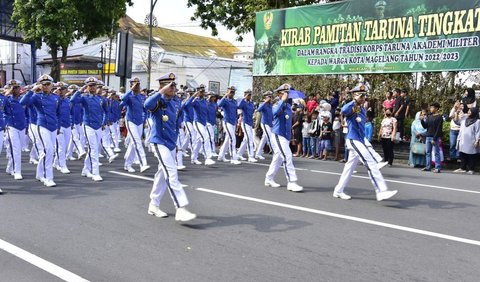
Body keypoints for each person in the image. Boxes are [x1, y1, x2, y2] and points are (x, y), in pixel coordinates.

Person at [145, 73, 197, 221]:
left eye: (174, 85)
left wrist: (176, 144)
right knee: (171, 173)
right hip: (159, 142)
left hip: (171, 143)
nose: (173, 88)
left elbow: (176, 121)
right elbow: (147, 105)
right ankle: (180, 207)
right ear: (162, 86)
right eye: (170, 85)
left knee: (162, 175)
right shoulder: (158, 101)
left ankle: (153, 205)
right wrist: (161, 92)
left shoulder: (175, 102)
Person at [333, 87, 398, 201]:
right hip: (353, 139)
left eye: (364, 95)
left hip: (360, 140)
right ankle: (381, 191)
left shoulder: (363, 110)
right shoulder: (352, 107)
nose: (363, 98)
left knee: (349, 168)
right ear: (354, 96)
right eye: (360, 95)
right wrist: (354, 101)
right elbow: (343, 110)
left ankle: (338, 190)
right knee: (371, 163)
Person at [20, 75, 59, 187]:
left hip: (53, 126)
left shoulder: (55, 97)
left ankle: (39, 173)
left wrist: (58, 126)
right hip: (42, 125)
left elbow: (58, 113)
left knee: (48, 151)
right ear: (39, 85)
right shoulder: (36, 96)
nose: (45, 86)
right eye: (43, 84)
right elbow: (23, 102)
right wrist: (32, 91)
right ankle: (48, 177)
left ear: (52, 85)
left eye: (48, 84)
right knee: (49, 150)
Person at [264, 84, 303, 192]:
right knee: (287, 156)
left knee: (278, 158)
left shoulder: (290, 106)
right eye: (286, 92)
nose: (288, 94)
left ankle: (269, 178)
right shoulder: (277, 104)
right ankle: (292, 182)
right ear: (280, 94)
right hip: (278, 135)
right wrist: (283, 100)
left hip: (285, 136)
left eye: (289, 92)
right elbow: (275, 113)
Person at [70, 77, 110, 182]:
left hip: (98, 126)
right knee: (93, 149)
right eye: (89, 85)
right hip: (88, 125)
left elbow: (106, 111)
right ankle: (95, 172)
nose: (92, 87)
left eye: (93, 85)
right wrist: (80, 90)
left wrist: (104, 122)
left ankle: (86, 169)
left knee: (94, 148)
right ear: (87, 86)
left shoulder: (101, 99)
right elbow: (73, 100)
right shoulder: (84, 97)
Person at [121, 77, 150, 173]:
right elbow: (123, 100)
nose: (137, 86)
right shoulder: (129, 96)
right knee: (137, 142)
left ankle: (127, 164)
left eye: (138, 84)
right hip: (131, 121)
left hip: (139, 122)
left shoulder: (142, 97)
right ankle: (143, 163)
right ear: (131, 86)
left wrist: (145, 120)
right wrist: (131, 90)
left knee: (133, 144)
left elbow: (145, 110)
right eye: (134, 84)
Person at [184, 84, 216, 165]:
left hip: (204, 123)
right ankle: (208, 157)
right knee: (205, 137)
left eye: (203, 91)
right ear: (197, 92)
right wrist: (194, 95)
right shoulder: (196, 101)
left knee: (198, 141)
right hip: (197, 122)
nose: (202, 93)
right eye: (200, 91)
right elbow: (187, 104)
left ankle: (194, 158)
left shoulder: (205, 101)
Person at [4, 79, 26, 180]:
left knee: (19, 148)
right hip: (11, 125)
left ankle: (10, 167)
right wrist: (7, 92)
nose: (15, 89)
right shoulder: (6, 99)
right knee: (15, 149)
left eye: (17, 87)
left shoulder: (23, 99)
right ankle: (17, 171)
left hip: (22, 126)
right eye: (13, 87)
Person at [217, 86, 241, 164]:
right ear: (228, 91)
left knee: (228, 139)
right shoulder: (225, 100)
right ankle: (233, 158)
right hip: (227, 122)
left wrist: (237, 122)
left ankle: (221, 155)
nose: (232, 93)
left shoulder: (234, 101)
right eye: (231, 92)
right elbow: (219, 104)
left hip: (233, 122)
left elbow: (235, 112)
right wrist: (225, 95)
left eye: (233, 92)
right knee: (232, 139)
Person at [453, 107, 480, 174]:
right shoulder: (464, 120)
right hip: (463, 140)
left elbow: (478, 132)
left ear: (474, 112)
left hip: (471, 140)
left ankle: (471, 169)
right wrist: (456, 112)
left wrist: (477, 140)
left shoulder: (477, 121)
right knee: (463, 154)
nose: (468, 113)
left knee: (471, 155)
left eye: (470, 111)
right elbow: (456, 121)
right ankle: (462, 168)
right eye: (468, 111)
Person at [53, 82, 72, 174]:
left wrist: (71, 122)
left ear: (66, 90)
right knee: (61, 146)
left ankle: (56, 162)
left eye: (62, 89)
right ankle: (62, 165)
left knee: (65, 147)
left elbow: (71, 112)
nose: (60, 91)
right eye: (59, 89)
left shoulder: (68, 100)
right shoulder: (54, 99)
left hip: (67, 125)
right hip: (58, 126)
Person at [421, 102, 443, 173]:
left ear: (436, 108)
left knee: (436, 152)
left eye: (432, 107)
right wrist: (422, 120)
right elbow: (425, 126)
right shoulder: (429, 116)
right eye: (430, 107)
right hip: (428, 136)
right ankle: (428, 167)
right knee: (428, 152)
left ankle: (437, 167)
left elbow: (438, 129)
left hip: (434, 138)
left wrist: (434, 138)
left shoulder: (439, 117)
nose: (431, 109)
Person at [237, 89, 257, 162]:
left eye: (250, 95)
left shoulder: (251, 103)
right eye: (248, 95)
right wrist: (244, 98)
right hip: (245, 123)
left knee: (246, 140)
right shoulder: (244, 103)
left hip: (250, 122)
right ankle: (251, 156)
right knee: (250, 139)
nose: (249, 96)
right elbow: (239, 106)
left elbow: (253, 112)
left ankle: (239, 154)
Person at [255, 91, 274, 160]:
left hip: (270, 124)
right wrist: (265, 102)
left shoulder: (271, 105)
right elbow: (258, 110)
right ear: (265, 97)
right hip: (264, 123)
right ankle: (275, 152)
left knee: (264, 139)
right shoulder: (263, 104)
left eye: (271, 96)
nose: (270, 98)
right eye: (268, 96)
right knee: (270, 137)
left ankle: (258, 154)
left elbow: (272, 114)